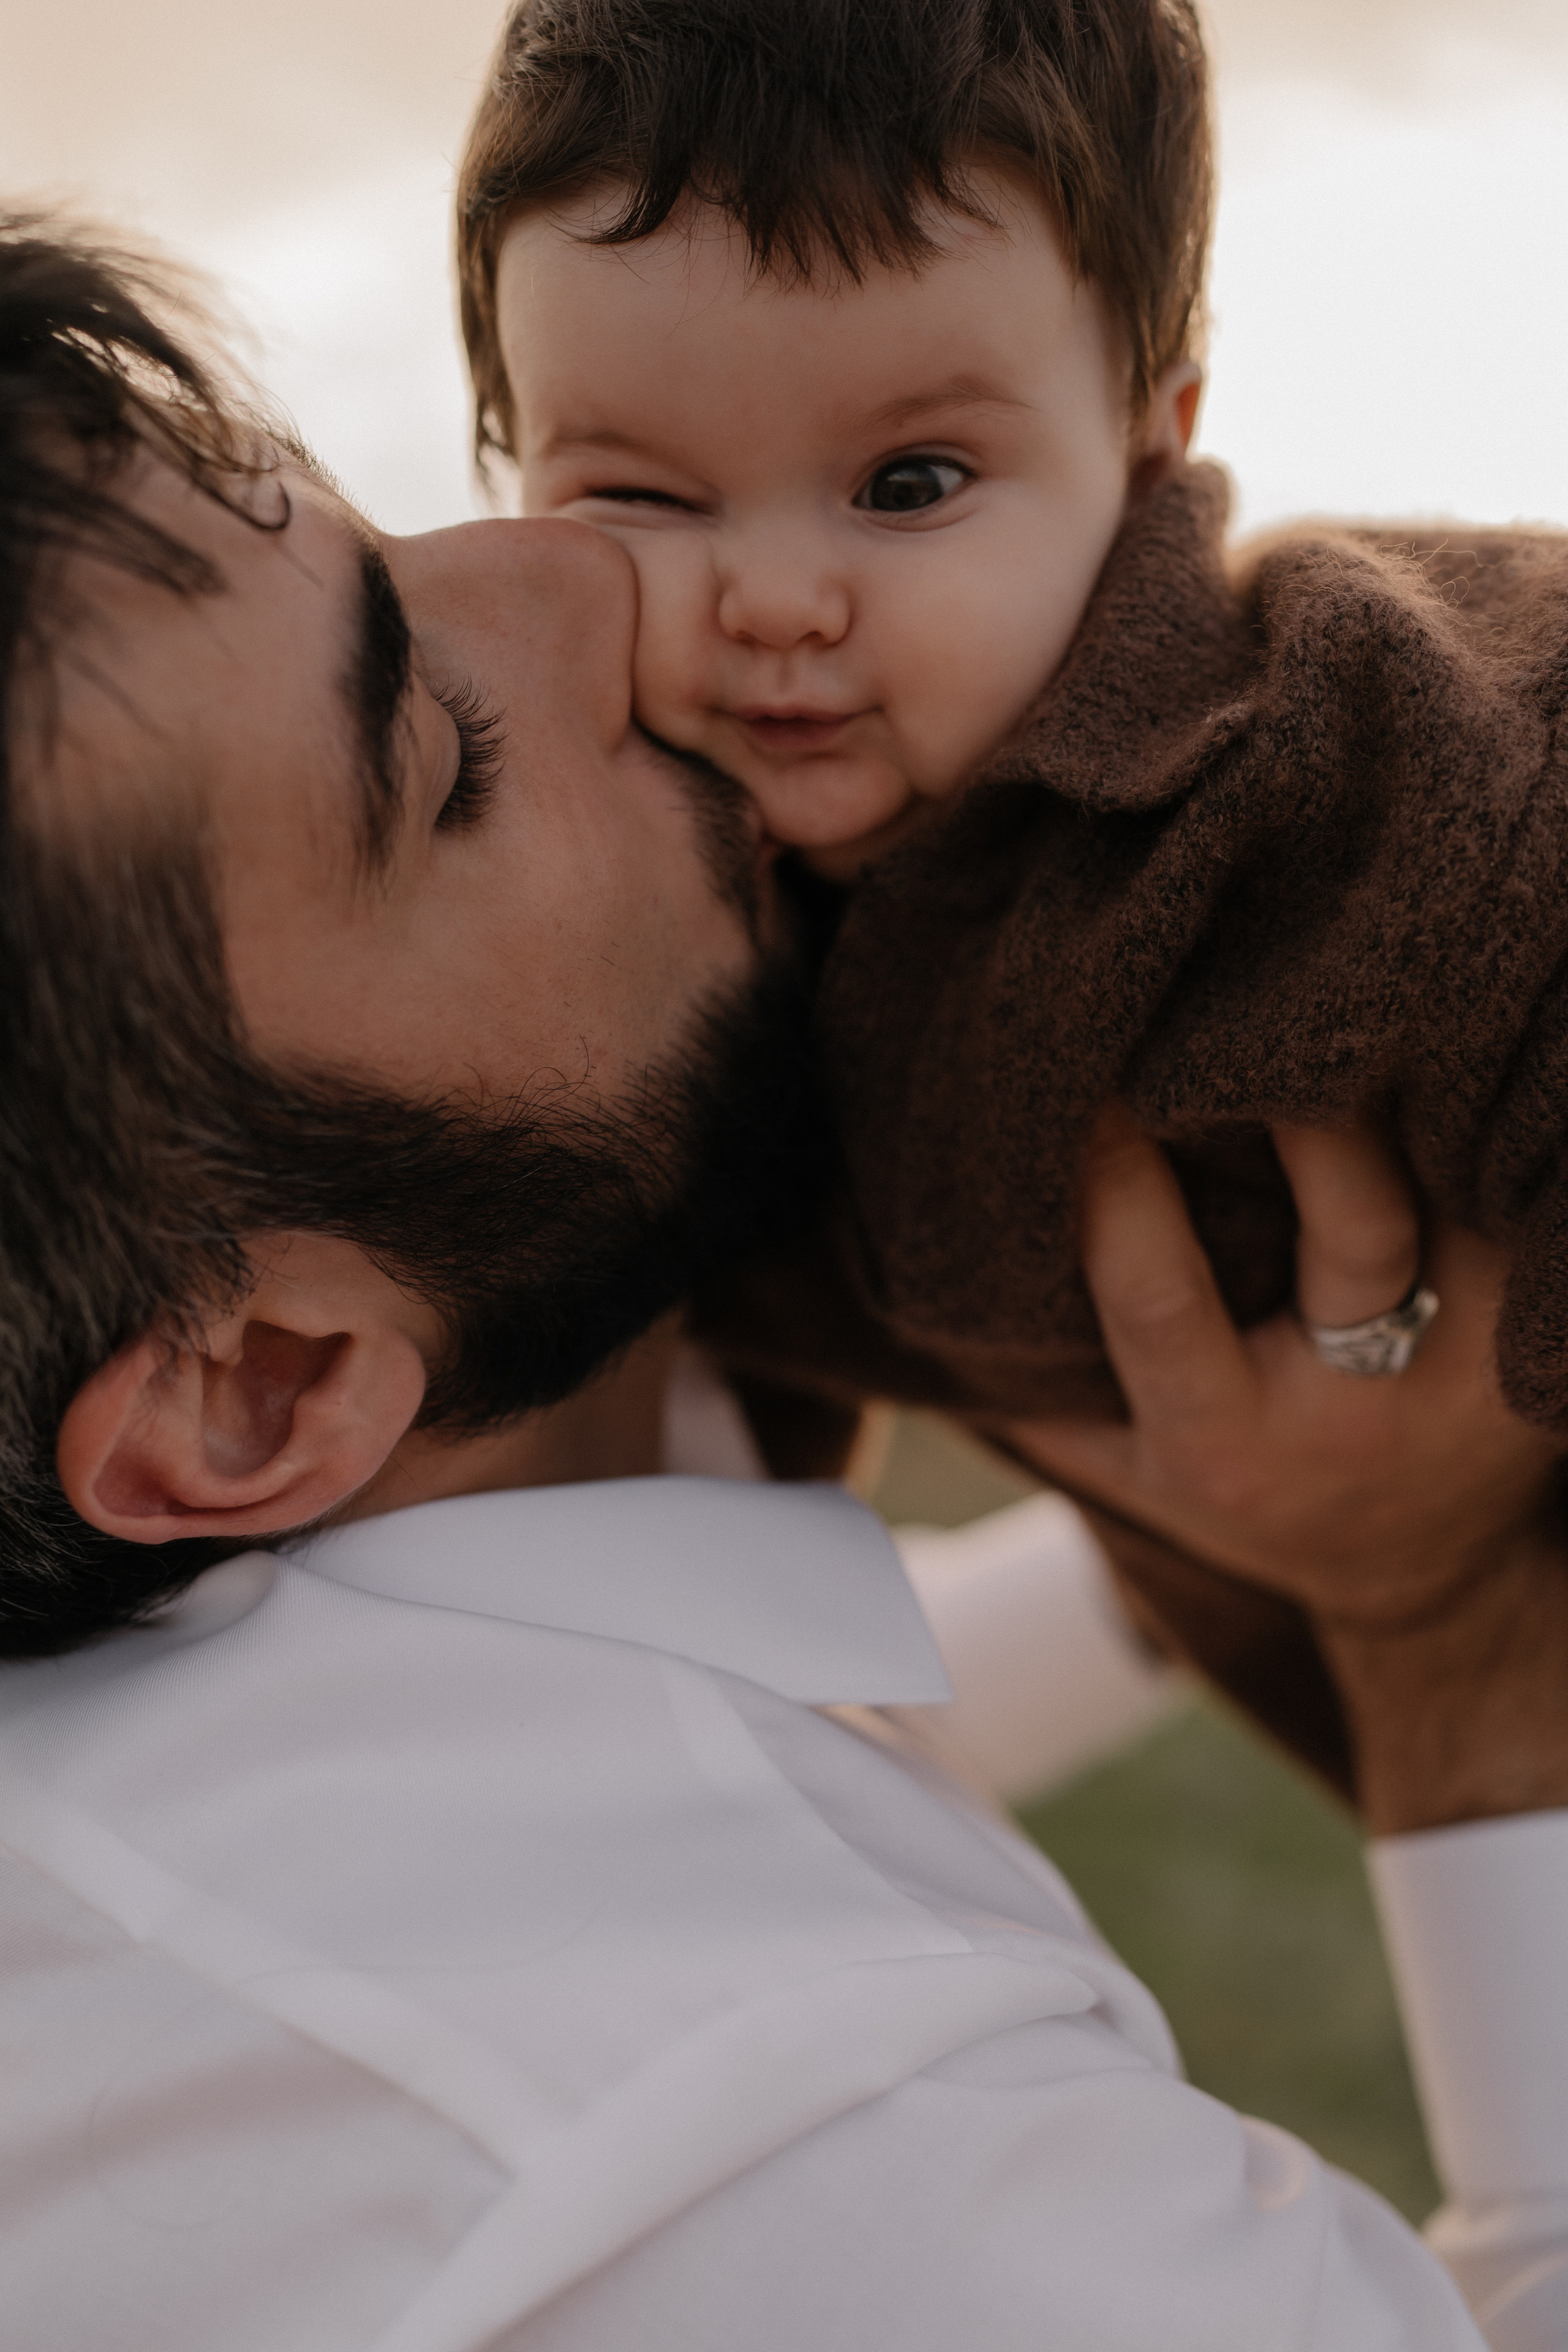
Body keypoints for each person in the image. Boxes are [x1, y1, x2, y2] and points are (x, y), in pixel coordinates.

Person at [3, 214, 1568, 2352]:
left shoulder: (229, 1555)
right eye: (442, 758)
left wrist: (1211, 1540)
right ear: (264, 1388)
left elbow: (601, 1744)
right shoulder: (784, 2168)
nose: (581, 573)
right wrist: (1444, 1635)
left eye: (379, 538)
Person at [453, 0, 1568, 1479]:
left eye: (908, 485)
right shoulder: (600, 915)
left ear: (1144, 447)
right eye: (640, 497)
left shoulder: (1336, 748)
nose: (774, 602)